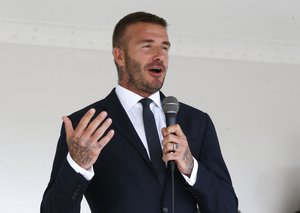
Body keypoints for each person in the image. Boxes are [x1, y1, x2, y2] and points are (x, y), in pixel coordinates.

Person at [41, 11, 238, 213]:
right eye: (147, 46)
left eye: (165, 48)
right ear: (120, 56)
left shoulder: (197, 122)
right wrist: (77, 166)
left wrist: (191, 166)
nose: (160, 55)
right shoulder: (85, 127)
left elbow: (228, 208)